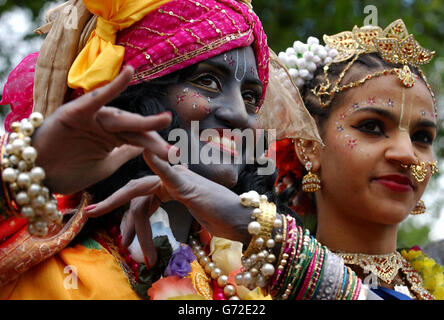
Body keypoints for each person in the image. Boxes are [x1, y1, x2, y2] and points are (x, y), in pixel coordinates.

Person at [87, 19, 444, 300]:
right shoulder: (256, 278)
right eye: (371, 126)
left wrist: (267, 235)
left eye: (423, 137)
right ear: (309, 146)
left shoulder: (243, 272)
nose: (405, 154)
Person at [0, 0, 277, 300]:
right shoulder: (42, 273)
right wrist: (26, 175)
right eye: (207, 81)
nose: (238, 113)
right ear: (137, 102)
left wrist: (256, 229)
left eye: (250, 96)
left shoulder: (255, 279)